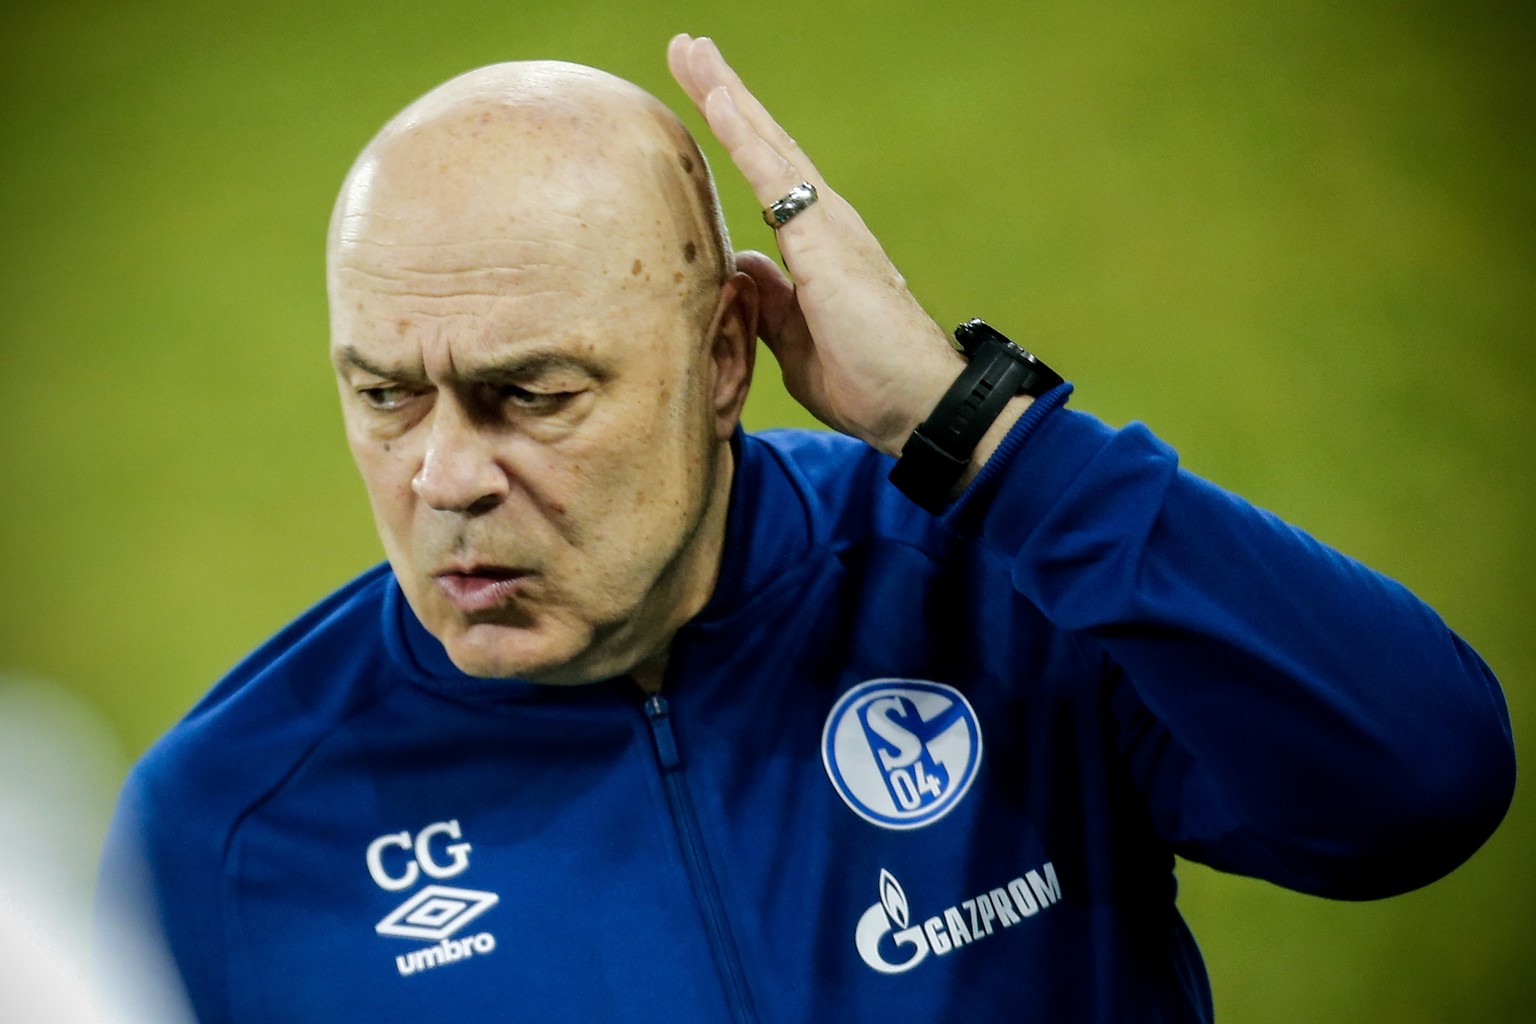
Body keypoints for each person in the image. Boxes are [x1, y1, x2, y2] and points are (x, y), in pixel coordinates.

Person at [97, 34, 1515, 1023]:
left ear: (726, 355)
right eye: (385, 396)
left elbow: (1422, 784)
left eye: (532, 395)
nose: (444, 477)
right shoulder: (225, 828)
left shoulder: (997, 585)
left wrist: (983, 439)